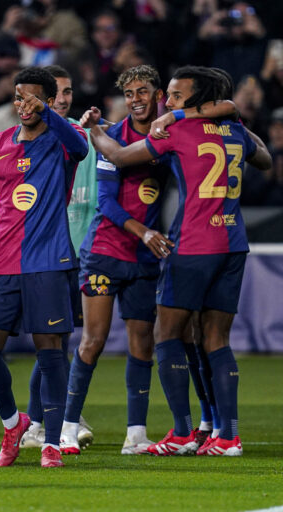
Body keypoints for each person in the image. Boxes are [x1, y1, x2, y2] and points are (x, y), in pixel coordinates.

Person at [89, 65, 271, 456]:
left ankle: (183, 433)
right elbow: (267, 160)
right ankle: (228, 437)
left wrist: (95, 131)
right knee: (216, 340)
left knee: (167, 336)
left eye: (174, 96)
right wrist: (226, 115)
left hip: (192, 245)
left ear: (196, 99)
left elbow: (120, 156)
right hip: (233, 244)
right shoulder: (236, 130)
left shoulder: (177, 130)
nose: (165, 102)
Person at [0, 66, 88, 468]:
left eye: (32, 99)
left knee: (51, 353)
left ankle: (51, 442)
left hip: (49, 261)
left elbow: (81, 149)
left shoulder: (64, 140)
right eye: (18, 98)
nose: (23, 106)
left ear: (49, 102)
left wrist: (49, 115)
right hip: (1, 264)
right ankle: (14, 422)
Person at [59, 65, 171, 456]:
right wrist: (144, 232)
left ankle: (136, 435)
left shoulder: (169, 137)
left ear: (158, 95)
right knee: (93, 339)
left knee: (142, 345)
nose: (136, 99)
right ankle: (67, 428)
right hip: (106, 253)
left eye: (143, 91)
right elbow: (105, 202)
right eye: (130, 93)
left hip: (144, 260)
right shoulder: (113, 138)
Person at [20, 64, 96, 451]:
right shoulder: (27, 140)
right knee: (52, 343)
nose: (64, 100)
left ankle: (55, 415)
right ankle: (42, 420)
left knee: (62, 342)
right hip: (46, 255)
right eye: (58, 94)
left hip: (81, 253)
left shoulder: (81, 139)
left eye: (68, 93)